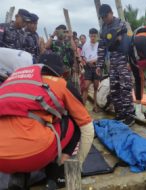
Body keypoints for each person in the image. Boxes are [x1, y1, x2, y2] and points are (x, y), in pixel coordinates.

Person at [0, 53, 94, 189]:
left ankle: (19, 175)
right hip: (35, 153)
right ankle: (61, 174)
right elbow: (87, 127)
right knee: (74, 122)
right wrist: (77, 164)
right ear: (59, 72)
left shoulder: (10, 82)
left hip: (2, 162)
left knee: (26, 122)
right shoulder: (59, 83)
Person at [96, 4, 135, 126]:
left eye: (106, 16)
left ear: (111, 13)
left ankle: (130, 115)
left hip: (124, 59)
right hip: (113, 61)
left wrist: (130, 61)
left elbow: (130, 44)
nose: (105, 19)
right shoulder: (103, 29)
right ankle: (120, 114)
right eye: (102, 17)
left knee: (125, 88)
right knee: (114, 88)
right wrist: (99, 65)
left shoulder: (122, 24)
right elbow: (102, 48)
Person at [81, 28, 100, 111]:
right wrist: (86, 62)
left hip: (97, 67)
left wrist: (95, 61)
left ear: (97, 36)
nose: (93, 38)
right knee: (85, 87)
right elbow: (82, 56)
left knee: (96, 87)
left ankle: (95, 106)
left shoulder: (99, 45)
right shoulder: (85, 45)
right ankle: (83, 107)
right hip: (88, 68)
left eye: (94, 36)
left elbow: (102, 56)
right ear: (89, 36)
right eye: (91, 36)